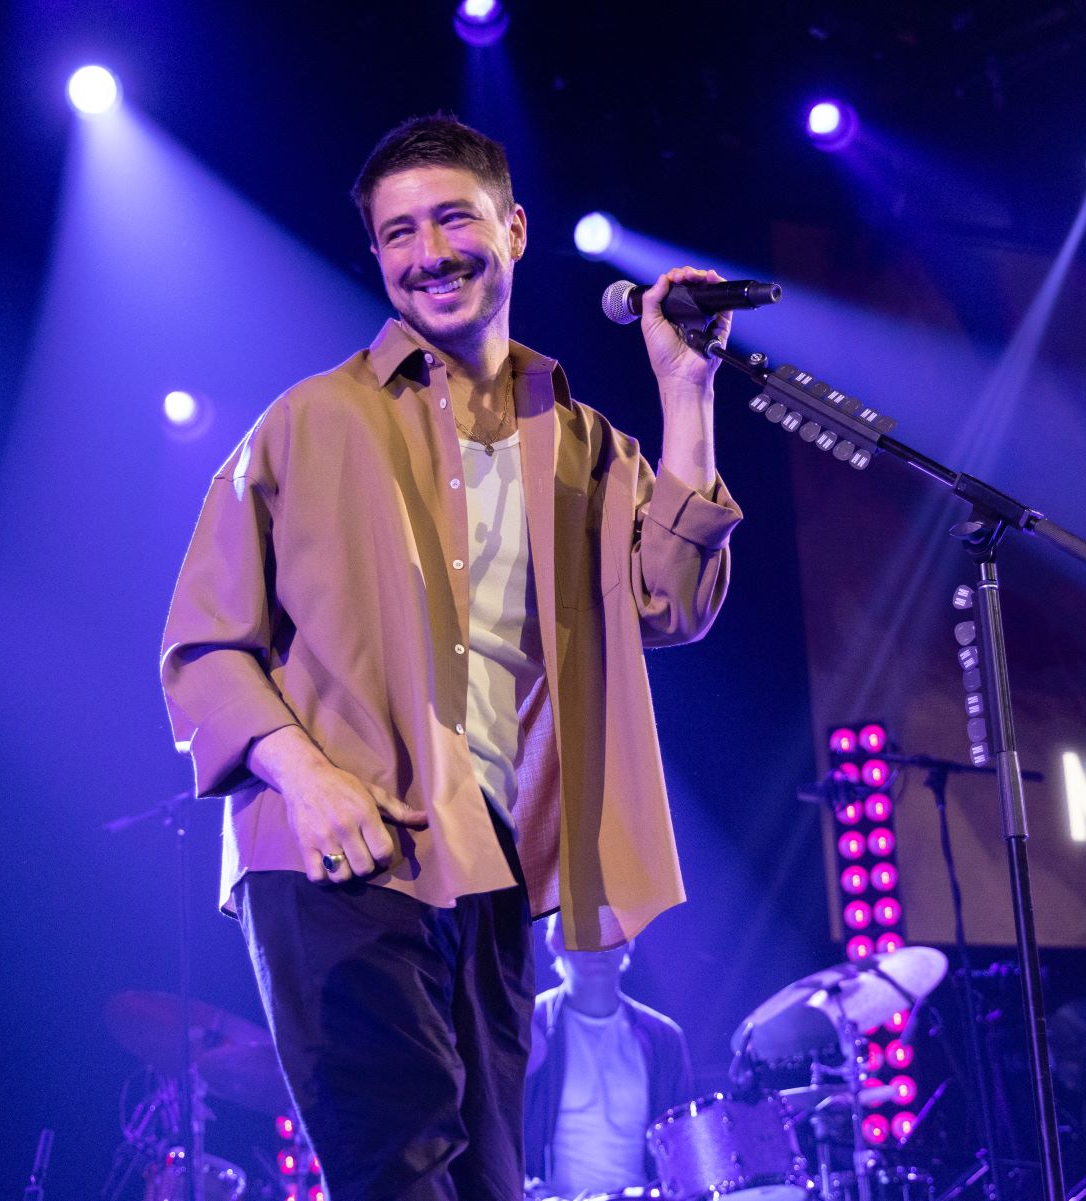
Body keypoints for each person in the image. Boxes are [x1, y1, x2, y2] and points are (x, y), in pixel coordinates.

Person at [158, 113, 740, 1201]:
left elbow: (673, 603)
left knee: (488, 1183)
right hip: (334, 853)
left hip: (493, 864)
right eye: (399, 235)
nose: (430, 255)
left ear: (513, 230)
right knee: (401, 1173)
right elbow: (203, 647)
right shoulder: (311, 422)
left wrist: (687, 389)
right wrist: (308, 776)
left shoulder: (581, 443)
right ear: (377, 258)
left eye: (453, 220)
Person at [523, 914, 692, 1199]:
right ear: (555, 940)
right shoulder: (528, 1027)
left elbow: (685, 1146)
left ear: (629, 941)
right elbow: (493, 1136)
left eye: (611, 929)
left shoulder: (664, 1038)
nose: (599, 942)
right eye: (585, 928)